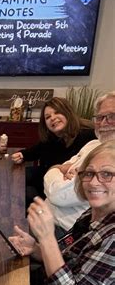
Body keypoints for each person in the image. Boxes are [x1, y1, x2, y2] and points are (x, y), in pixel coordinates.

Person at [10, 141, 115, 285]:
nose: (94, 182)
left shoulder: (111, 238)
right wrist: (36, 248)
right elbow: (67, 259)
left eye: (107, 174)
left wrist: (47, 238)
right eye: (88, 173)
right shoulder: (92, 214)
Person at [43, 91, 115, 234]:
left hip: (67, 232)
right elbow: (61, 166)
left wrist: (54, 170)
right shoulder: (93, 143)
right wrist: (57, 168)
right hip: (47, 219)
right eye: (99, 117)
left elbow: (58, 195)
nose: (103, 123)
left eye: (112, 116)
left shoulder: (108, 158)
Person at [11, 97, 96, 202]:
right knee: (16, 179)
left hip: (60, 190)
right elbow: (35, 150)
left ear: (67, 113)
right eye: (47, 117)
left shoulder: (88, 136)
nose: (52, 118)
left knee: (21, 193)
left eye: (57, 113)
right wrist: (22, 155)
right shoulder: (52, 137)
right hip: (45, 178)